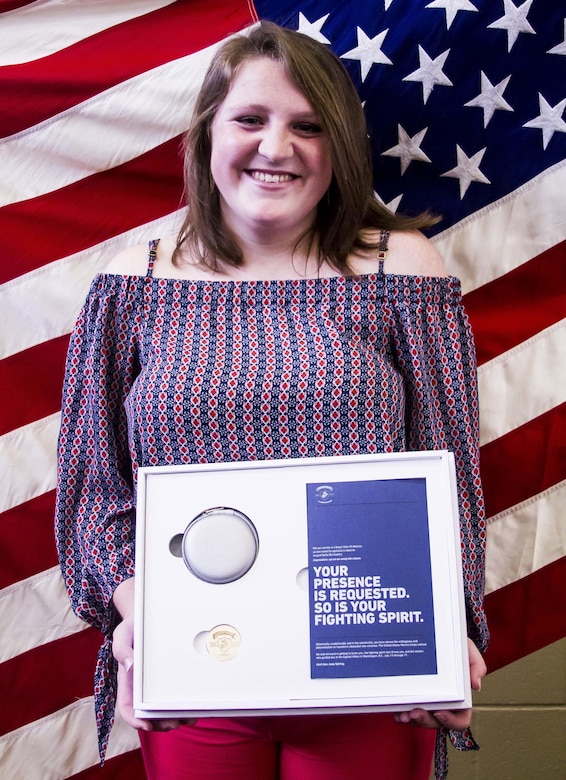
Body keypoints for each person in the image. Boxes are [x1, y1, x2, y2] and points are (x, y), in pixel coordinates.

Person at [55, 21, 488, 780]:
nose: (276, 147)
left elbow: (449, 477)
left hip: (370, 670)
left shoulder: (403, 272)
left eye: (308, 127)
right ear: (207, 135)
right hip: (199, 666)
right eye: (250, 119)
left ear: (340, 148)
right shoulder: (136, 281)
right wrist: (136, 607)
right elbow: (95, 484)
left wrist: (449, 627)